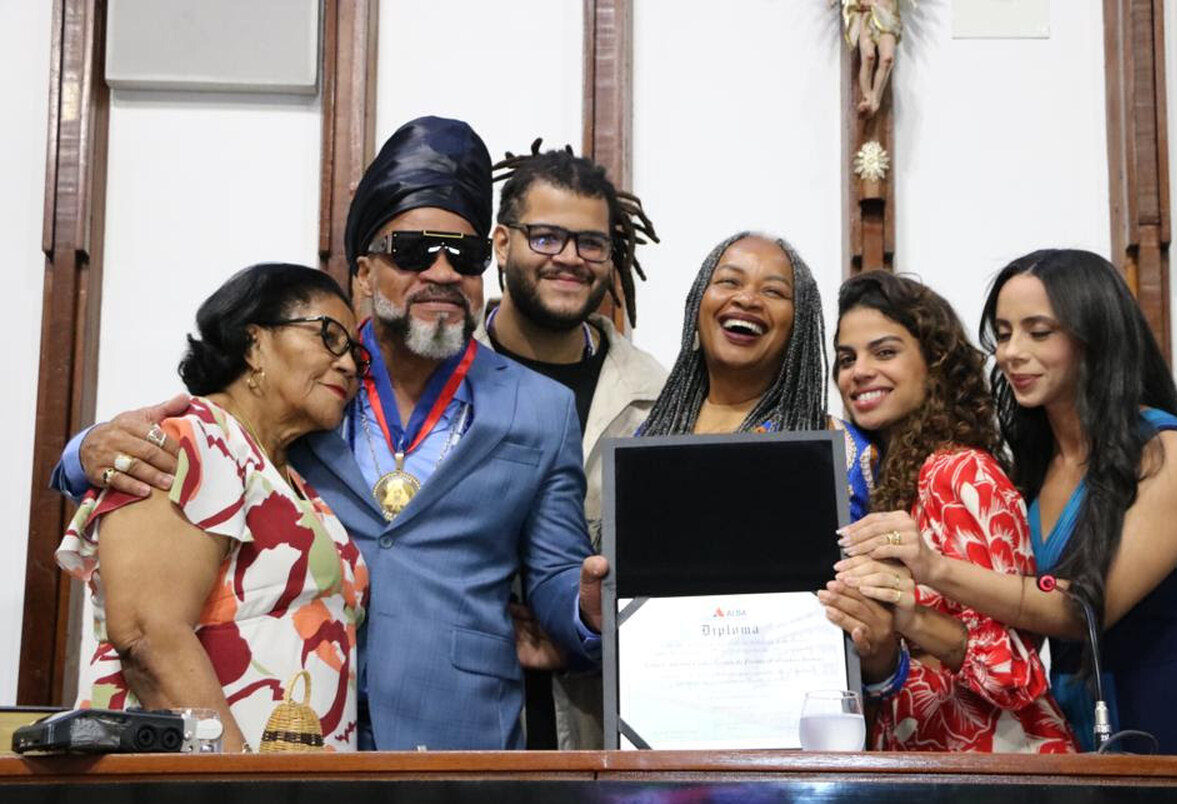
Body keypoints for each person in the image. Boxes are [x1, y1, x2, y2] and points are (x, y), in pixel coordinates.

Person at [54, 116, 608, 751]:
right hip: (278, 724)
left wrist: (585, 612)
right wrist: (84, 450)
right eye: (412, 251)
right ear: (365, 274)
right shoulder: (307, 376)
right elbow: (202, 435)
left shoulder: (540, 408)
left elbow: (555, 570)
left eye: (466, 255)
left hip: (457, 727)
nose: (444, 271)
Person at [840, 250, 1177, 755]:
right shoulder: (1037, 466)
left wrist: (931, 570)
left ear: (1095, 336)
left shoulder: (1170, 453)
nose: (1011, 352)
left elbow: (1085, 611)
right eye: (1004, 334)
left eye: (1039, 332)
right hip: (1093, 736)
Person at [55, 263, 370, 752]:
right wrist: (240, 792)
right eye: (330, 337)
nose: (348, 364)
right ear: (254, 342)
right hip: (202, 801)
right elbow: (147, 638)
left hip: (292, 802)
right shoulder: (188, 440)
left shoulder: (287, 476)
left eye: (355, 353)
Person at [822, 270, 1075, 753]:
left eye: (885, 352)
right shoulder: (887, 480)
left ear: (935, 363)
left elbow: (1012, 671)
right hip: (917, 761)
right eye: (847, 358)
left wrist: (908, 617)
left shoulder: (958, 473)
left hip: (992, 769)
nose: (859, 371)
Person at [481, 143, 667, 749]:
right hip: (472, 713)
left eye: (590, 243)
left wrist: (583, 632)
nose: (569, 259)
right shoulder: (441, 379)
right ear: (502, 244)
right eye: (545, 238)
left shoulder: (655, 395)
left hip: (606, 725)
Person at [636, 232, 876, 519]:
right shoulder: (649, 436)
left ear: (798, 329)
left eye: (773, 291)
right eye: (729, 282)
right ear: (697, 304)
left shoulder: (846, 452)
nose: (747, 299)